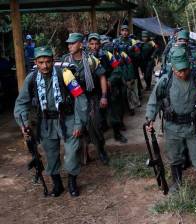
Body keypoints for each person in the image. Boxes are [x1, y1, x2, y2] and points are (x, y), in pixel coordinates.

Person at [145, 46, 196, 200]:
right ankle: (177, 184)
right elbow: (154, 100)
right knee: (175, 157)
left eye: (185, 69)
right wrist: (150, 118)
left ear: (189, 66)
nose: (182, 73)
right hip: (173, 127)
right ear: (172, 67)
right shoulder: (165, 81)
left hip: (195, 126)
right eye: (178, 70)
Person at [14, 46, 88, 197]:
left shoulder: (65, 74)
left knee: (72, 152)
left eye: (48, 61)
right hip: (46, 122)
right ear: (36, 62)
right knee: (51, 154)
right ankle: (58, 184)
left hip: (68, 119)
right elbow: (21, 103)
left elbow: (80, 98)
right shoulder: (32, 78)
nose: (45, 66)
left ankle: (72, 183)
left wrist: (79, 122)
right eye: (41, 62)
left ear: (53, 61)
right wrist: (24, 124)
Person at [61, 33, 109, 165]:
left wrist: (104, 96)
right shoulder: (64, 61)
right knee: (77, 127)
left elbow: (102, 77)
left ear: (81, 45)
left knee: (95, 125)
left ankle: (101, 150)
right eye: (69, 43)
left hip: (91, 97)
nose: (69, 46)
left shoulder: (91, 60)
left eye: (73, 43)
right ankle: (83, 154)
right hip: (73, 100)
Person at [87, 33, 128, 143]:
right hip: (94, 90)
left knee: (114, 112)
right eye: (92, 44)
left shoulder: (107, 55)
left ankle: (117, 134)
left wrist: (110, 80)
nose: (94, 46)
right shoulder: (85, 57)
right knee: (96, 115)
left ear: (100, 44)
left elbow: (117, 70)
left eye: (96, 44)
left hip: (109, 88)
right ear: (88, 45)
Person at [113, 25, 141, 114]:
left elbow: (138, 54)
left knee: (130, 86)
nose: (124, 32)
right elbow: (113, 53)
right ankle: (125, 107)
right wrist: (118, 59)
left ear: (128, 32)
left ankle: (131, 107)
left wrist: (131, 53)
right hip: (120, 66)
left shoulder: (132, 41)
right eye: (123, 30)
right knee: (122, 88)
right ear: (120, 32)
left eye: (126, 30)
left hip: (129, 66)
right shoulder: (116, 41)